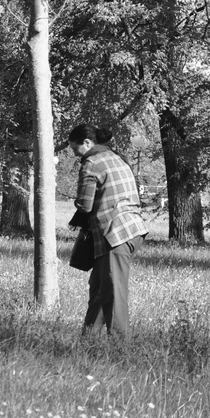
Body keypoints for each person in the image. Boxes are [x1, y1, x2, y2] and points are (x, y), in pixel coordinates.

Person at [68, 123, 148, 337]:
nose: (76, 154)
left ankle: (121, 349)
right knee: (99, 288)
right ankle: (87, 341)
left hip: (115, 234)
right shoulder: (118, 157)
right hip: (133, 229)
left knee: (113, 293)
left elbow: (85, 204)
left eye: (76, 149)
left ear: (87, 142)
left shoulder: (92, 162)